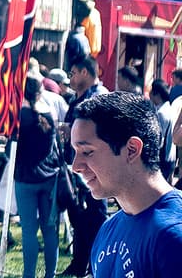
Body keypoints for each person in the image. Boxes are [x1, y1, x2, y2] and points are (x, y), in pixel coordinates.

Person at [71, 92, 182, 277]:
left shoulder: (173, 237)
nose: (76, 166)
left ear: (131, 150)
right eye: (75, 152)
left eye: (87, 152)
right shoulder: (109, 228)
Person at [60, 57, 109, 277]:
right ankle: (79, 262)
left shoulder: (100, 96)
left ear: (84, 73)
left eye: (72, 73)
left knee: (96, 216)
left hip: (94, 168)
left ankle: (95, 263)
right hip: (75, 166)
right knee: (78, 217)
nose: (70, 78)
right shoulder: (76, 98)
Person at [14, 77, 64, 278]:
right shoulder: (49, 114)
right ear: (40, 92)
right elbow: (53, 146)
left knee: (28, 231)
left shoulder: (19, 117)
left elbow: (13, 150)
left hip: (25, 179)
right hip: (49, 178)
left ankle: (29, 275)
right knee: (49, 230)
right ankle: (50, 274)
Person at [148, 79, 176, 182]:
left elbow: (159, 139)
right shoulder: (169, 109)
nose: (149, 94)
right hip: (171, 156)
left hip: (163, 159)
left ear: (157, 94)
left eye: (151, 91)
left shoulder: (161, 113)